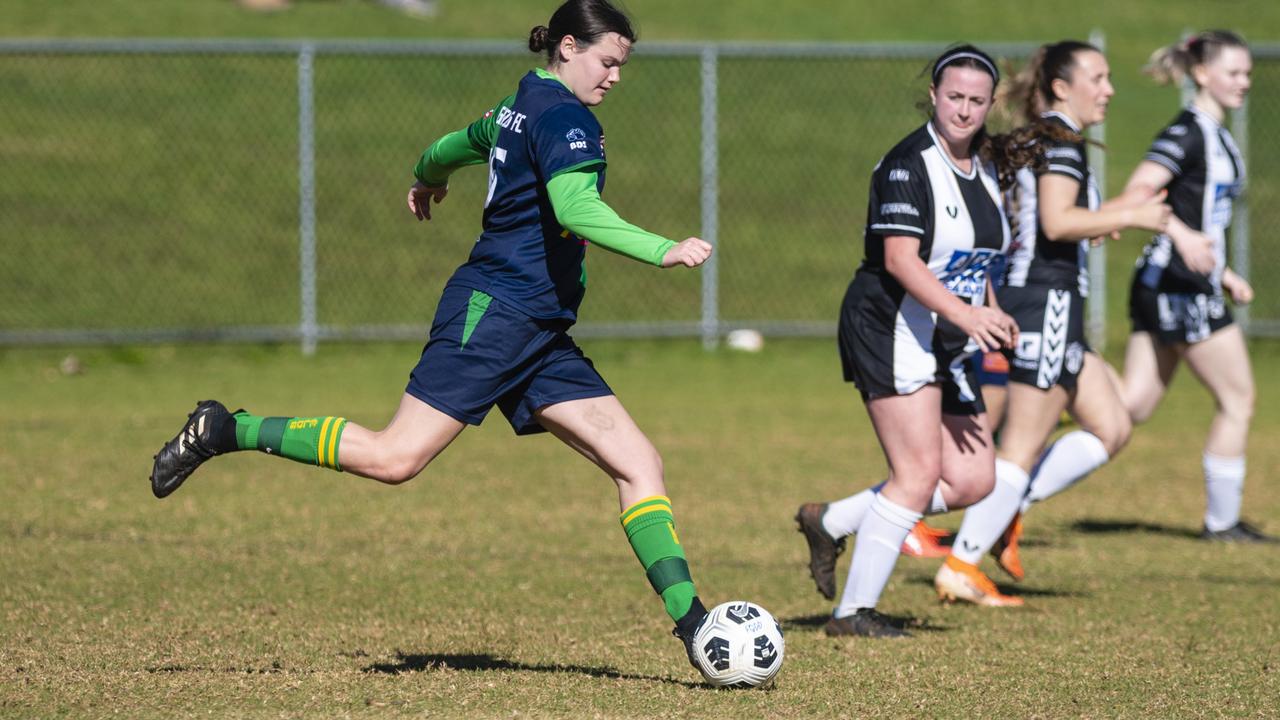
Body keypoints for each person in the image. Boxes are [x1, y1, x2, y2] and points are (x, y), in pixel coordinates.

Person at [150, 0, 717, 671]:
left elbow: (452, 144)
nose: (615, 77)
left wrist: (427, 177)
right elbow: (575, 207)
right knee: (395, 459)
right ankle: (226, 429)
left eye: (622, 65)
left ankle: (696, 627)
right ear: (568, 46)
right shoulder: (567, 119)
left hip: (537, 331)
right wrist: (663, 250)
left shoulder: (521, 104)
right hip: (495, 314)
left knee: (639, 465)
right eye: (607, 61)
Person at [795, 45, 1020, 637]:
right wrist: (966, 317)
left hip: (947, 333)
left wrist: (992, 316)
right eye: (954, 97)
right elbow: (900, 260)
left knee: (974, 479)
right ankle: (852, 614)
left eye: (977, 100)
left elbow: (976, 263)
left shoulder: (988, 167)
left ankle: (832, 519)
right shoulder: (907, 164)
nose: (964, 110)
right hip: (890, 323)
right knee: (917, 473)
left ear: (991, 103)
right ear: (934, 96)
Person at [938, 40, 1172, 605]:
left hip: (1045, 300)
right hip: (1046, 304)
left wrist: (1101, 220)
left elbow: (1048, 222)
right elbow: (1057, 220)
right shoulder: (1060, 141)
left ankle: (1000, 514)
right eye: (1099, 76)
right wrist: (1132, 213)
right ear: (1063, 87)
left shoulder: (1043, 137)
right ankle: (958, 561)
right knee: (1018, 448)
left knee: (1111, 425)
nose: (1110, 88)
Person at [1118, 31, 1273, 542]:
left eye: (1248, 73)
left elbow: (1202, 213)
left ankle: (1024, 446)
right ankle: (1222, 524)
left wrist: (1222, 270)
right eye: (1234, 73)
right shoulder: (1188, 132)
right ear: (1202, 74)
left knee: (1129, 407)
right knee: (1238, 399)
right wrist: (1183, 238)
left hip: (1182, 282)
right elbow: (1138, 193)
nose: (1244, 82)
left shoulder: (1217, 132)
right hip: (1179, 287)